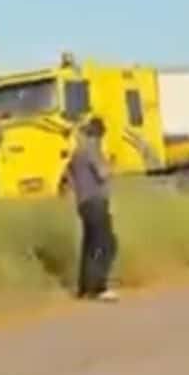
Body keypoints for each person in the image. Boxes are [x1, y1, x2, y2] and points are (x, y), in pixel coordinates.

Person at [61, 116, 119, 302]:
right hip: (96, 201)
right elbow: (102, 174)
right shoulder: (93, 151)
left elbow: (66, 178)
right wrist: (111, 165)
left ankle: (84, 288)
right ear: (99, 134)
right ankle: (99, 287)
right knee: (106, 244)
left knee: (90, 245)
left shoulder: (76, 154)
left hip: (83, 203)